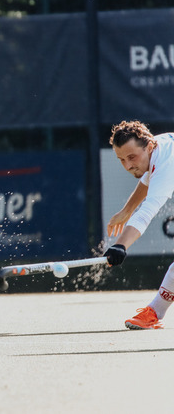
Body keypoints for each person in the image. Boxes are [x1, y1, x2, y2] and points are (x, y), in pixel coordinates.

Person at [105, 120, 174, 330]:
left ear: (149, 146)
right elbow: (147, 180)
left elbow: (146, 212)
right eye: (121, 160)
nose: (127, 165)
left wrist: (120, 245)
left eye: (132, 157)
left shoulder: (166, 162)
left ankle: (154, 313)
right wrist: (126, 211)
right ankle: (154, 313)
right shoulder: (156, 148)